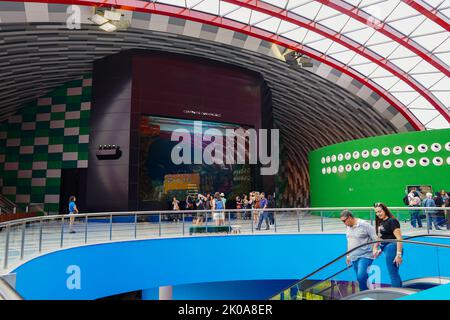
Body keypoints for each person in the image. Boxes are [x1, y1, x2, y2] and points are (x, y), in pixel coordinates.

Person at [340, 210, 378, 291]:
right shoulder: (348, 227)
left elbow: (376, 238)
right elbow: (349, 242)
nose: (343, 223)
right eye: (342, 221)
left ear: (350, 218)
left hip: (365, 255)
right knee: (360, 278)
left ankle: (364, 293)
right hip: (353, 256)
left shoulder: (365, 225)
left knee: (361, 276)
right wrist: (348, 255)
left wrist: (375, 249)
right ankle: (367, 291)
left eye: (344, 221)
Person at [373, 203, 403, 288]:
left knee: (393, 274)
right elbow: (380, 238)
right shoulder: (381, 222)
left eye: (380, 211)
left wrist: (399, 254)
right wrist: (378, 249)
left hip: (392, 248)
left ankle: (396, 294)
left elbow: (399, 238)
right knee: (393, 274)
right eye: (376, 212)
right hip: (386, 248)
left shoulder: (392, 221)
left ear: (385, 210)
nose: (378, 214)